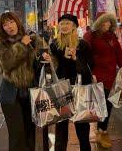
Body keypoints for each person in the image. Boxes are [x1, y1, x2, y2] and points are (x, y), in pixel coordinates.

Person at [0, 12, 49, 151]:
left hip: (30, 94)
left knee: (30, 133)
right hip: (11, 95)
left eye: (11, 22)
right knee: (17, 136)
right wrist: (21, 45)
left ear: (17, 22)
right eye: (5, 24)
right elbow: (7, 63)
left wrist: (45, 59)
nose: (9, 26)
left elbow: (39, 66)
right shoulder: (0, 44)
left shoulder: (32, 39)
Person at [44, 14, 92, 151]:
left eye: (68, 23)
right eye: (62, 23)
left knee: (82, 125)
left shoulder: (83, 45)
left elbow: (89, 67)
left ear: (74, 26)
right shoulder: (55, 45)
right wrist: (48, 60)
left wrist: (75, 58)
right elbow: (53, 68)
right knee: (61, 125)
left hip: (79, 87)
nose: (64, 26)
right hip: (61, 88)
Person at [84, 13, 122, 148]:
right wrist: (90, 73)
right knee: (102, 105)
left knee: (109, 104)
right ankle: (101, 132)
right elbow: (85, 55)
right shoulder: (91, 36)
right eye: (104, 22)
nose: (106, 24)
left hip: (111, 76)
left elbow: (119, 54)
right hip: (97, 76)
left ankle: (102, 131)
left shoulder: (112, 36)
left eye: (109, 22)